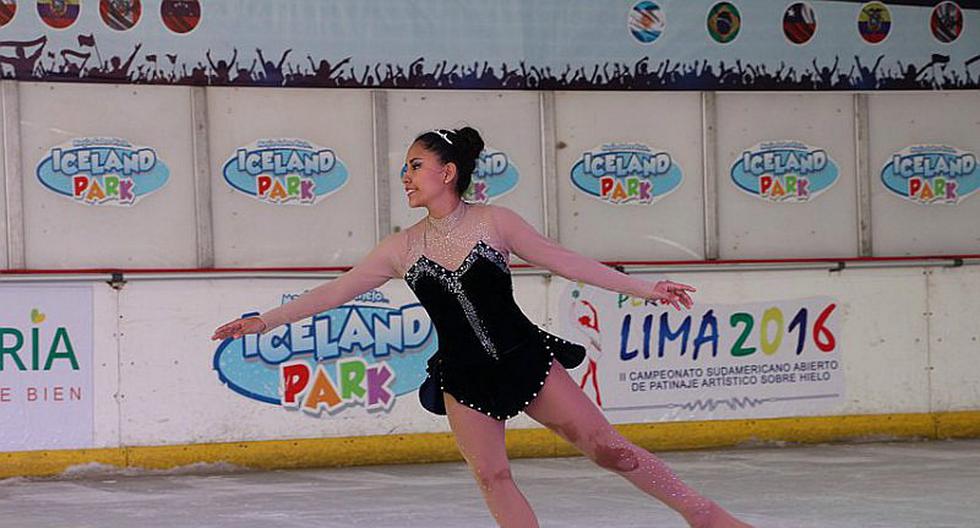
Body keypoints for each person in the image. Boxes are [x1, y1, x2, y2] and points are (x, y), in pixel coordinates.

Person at [212, 127, 751, 528]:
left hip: (524, 357)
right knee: (492, 477)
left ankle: (701, 514)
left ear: (447, 173)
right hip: (463, 377)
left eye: (415, 166)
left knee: (610, 449)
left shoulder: (496, 222)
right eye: (405, 168)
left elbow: (567, 262)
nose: (406, 177)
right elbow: (334, 292)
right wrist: (263, 321)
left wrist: (646, 289)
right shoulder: (400, 248)